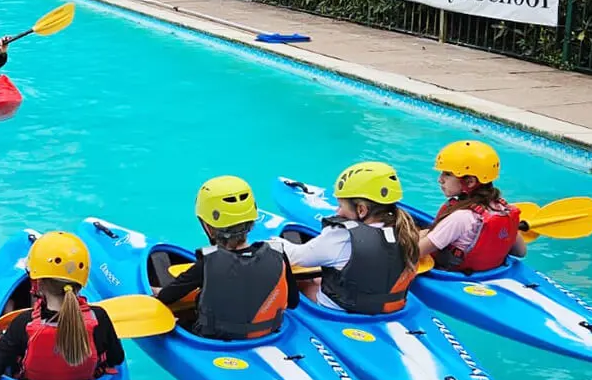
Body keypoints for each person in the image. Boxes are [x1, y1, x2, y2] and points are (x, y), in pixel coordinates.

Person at [156, 175, 299, 339]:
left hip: (214, 339)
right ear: (252, 222)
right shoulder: (277, 253)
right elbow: (293, 302)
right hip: (269, 333)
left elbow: (165, 298)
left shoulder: (207, 262)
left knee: (182, 320)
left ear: (208, 227)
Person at [0, 231, 125, 380]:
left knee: (10, 306)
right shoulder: (99, 318)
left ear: (37, 283)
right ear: (81, 283)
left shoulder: (22, 324)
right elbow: (116, 359)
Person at [275, 162, 421, 314]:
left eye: (341, 206)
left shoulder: (341, 236)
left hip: (341, 310)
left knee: (300, 281)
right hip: (388, 308)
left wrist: (273, 241)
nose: (338, 212)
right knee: (324, 278)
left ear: (362, 210)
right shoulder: (406, 230)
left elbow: (296, 257)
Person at [419, 139, 527, 272]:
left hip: (452, 276)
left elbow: (416, 253)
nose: (440, 179)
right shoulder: (503, 210)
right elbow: (521, 252)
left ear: (470, 182)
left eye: (447, 174)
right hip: (489, 274)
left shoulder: (460, 217)